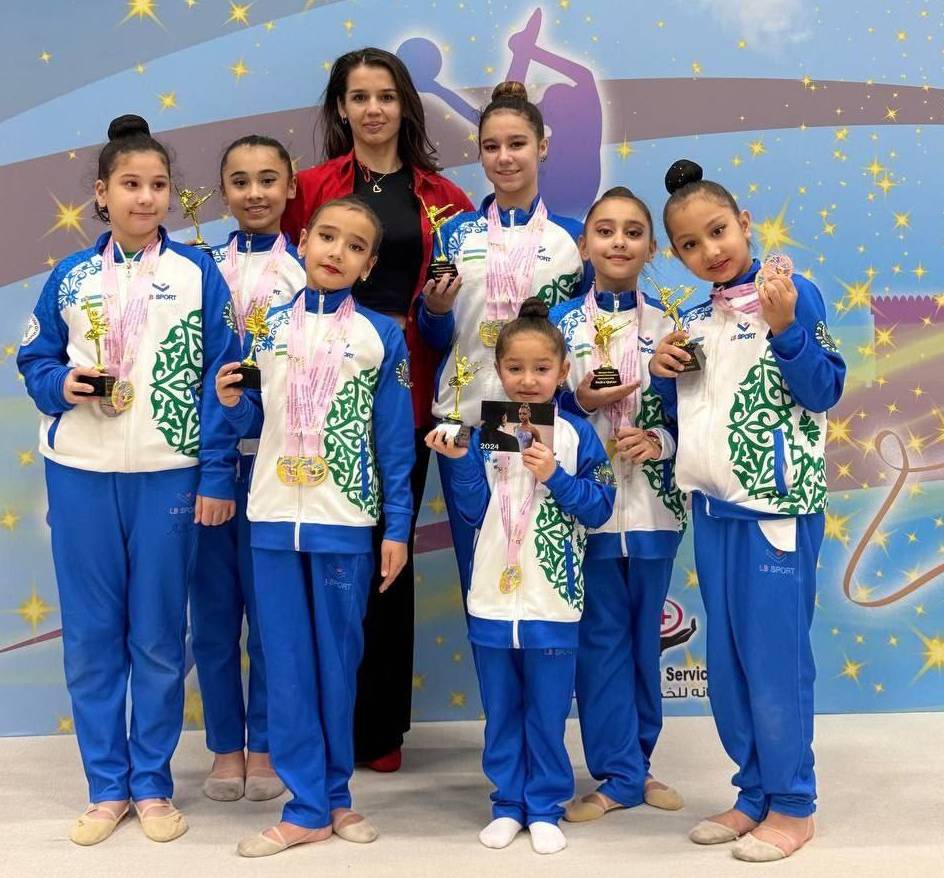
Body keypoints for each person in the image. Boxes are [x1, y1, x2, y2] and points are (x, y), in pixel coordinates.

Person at [17, 114, 239, 845]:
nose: (146, 198)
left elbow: (224, 379)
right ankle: (106, 786)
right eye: (131, 185)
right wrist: (61, 385)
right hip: (81, 472)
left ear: (171, 195)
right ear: (101, 194)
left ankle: (152, 783)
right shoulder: (71, 277)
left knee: (158, 637)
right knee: (90, 638)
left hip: (168, 475)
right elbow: (36, 361)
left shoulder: (198, 274)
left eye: (158, 185)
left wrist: (215, 473)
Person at [282, 48, 473, 771]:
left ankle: (379, 729)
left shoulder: (445, 198)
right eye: (359, 96)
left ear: (404, 105)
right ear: (340, 106)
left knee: (389, 553)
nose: (372, 109)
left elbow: (455, 317)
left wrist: (423, 316)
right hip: (315, 402)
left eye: (385, 96)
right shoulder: (308, 190)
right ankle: (315, 724)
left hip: (405, 396)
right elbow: (284, 284)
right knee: (325, 558)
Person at [650, 159, 845, 862]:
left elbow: (824, 390)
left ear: (744, 224)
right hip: (714, 510)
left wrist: (787, 329)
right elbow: (691, 416)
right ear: (677, 255)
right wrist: (662, 384)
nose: (710, 250)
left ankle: (793, 804)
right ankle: (754, 791)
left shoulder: (792, 294)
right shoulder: (695, 321)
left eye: (718, 231)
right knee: (729, 666)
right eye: (690, 244)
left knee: (774, 661)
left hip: (776, 512)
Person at [216, 196, 414, 858]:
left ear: (369, 265)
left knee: (337, 663)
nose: (337, 252)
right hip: (273, 517)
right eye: (327, 237)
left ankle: (334, 796)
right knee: (287, 665)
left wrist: (397, 528)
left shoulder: (380, 336)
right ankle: (305, 807)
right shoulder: (266, 327)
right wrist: (231, 404)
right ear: (303, 241)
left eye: (355, 246)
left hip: (344, 521)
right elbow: (255, 419)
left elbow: (394, 443)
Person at [426, 297, 614, 855]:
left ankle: (546, 805)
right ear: (498, 370)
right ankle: (508, 802)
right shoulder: (490, 432)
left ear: (563, 371)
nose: (528, 380)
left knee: (548, 711)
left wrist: (556, 475)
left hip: (552, 600)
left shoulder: (577, 435)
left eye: (541, 368)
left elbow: (600, 508)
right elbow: (471, 511)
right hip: (492, 594)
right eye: (515, 368)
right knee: (502, 710)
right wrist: (458, 462)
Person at [419, 80, 588, 599]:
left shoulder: (573, 238)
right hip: (465, 417)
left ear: (543, 146)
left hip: (536, 422)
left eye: (517, 144)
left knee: (534, 573)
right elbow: (436, 335)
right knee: (480, 572)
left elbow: (583, 332)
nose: (504, 157)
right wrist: (435, 309)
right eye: (491, 146)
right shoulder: (454, 234)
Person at [549, 186, 687, 822]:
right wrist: (578, 402)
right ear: (585, 245)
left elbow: (699, 415)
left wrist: (659, 441)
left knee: (643, 641)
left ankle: (640, 764)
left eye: (634, 232)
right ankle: (617, 773)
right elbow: (522, 411)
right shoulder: (559, 326)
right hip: (589, 513)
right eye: (605, 231)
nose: (619, 242)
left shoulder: (672, 326)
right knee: (601, 642)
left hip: (656, 510)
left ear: (651, 248)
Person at [191, 135, 306, 803]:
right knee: (213, 620)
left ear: (291, 186)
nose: (255, 192)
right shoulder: (199, 269)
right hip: (211, 467)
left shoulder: (310, 271)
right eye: (240, 181)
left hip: (279, 470)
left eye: (268, 179)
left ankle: (264, 746)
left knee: (270, 621)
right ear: (223, 191)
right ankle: (224, 749)